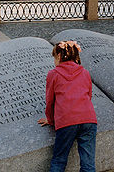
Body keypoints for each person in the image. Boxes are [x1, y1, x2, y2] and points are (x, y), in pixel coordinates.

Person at [38, 41, 97, 172]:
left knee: (59, 160)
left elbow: (50, 102)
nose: (54, 61)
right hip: (89, 119)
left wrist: (51, 120)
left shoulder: (53, 74)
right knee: (88, 164)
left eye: (54, 58)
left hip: (66, 121)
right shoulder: (85, 72)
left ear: (59, 56)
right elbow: (89, 95)